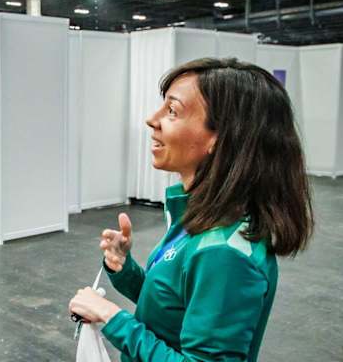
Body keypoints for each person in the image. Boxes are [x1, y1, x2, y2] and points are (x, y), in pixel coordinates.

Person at [69, 57, 314, 361]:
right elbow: (174, 310)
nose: (152, 119)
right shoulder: (198, 218)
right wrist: (126, 270)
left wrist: (111, 318)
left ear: (220, 137)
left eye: (172, 111)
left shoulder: (223, 252)